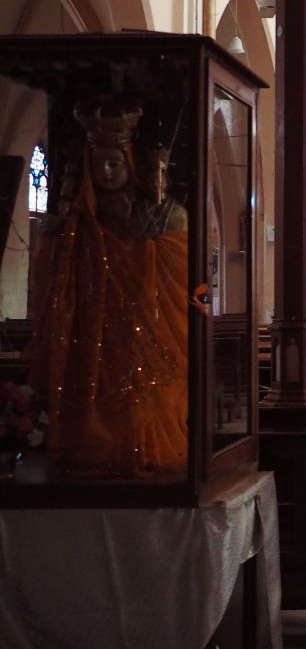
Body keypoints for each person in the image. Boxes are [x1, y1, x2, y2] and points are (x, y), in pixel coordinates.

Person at [28, 98, 189, 477]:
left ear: (129, 161)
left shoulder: (163, 215)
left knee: (144, 400)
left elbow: (181, 278)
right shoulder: (78, 220)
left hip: (145, 326)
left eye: (114, 162)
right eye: (97, 162)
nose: (105, 170)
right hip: (94, 324)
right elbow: (55, 278)